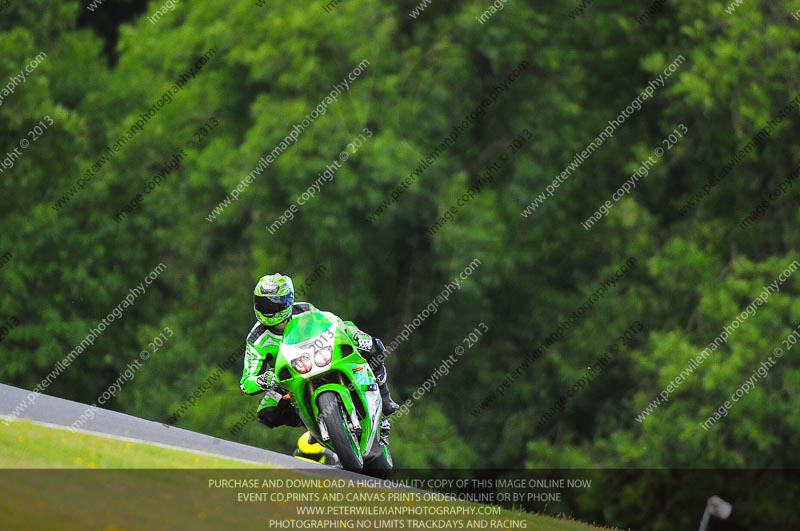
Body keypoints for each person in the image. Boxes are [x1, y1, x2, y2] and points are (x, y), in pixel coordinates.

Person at [240, 273, 399, 430]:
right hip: (290, 378)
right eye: (263, 304)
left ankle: (384, 397)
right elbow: (246, 382)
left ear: (288, 301)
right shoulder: (256, 339)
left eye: (274, 304)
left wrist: (355, 335)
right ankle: (315, 424)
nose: (269, 309)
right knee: (266, 413)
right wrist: (263, 379)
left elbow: (333, 323)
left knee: (374, 347)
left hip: (324, 357)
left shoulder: (304, 309)